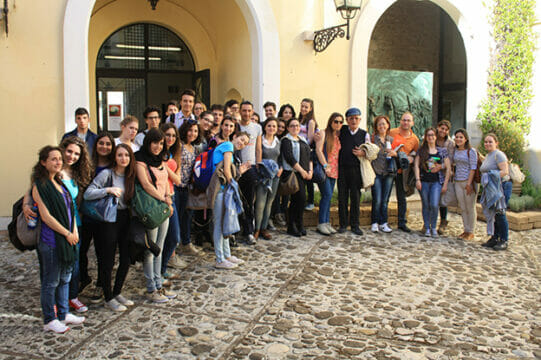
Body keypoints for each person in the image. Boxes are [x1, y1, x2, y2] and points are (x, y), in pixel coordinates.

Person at [31, 146, 85, 333]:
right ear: (43, 162)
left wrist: (75, 231)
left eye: (59, 159)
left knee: (64, 279)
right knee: (51, 281)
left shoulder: (60, 183)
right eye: (53, 159)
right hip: (52, 241)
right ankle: (49, 319)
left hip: (68, 237)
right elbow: (46, 217)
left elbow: (71, 210)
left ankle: (63, 313)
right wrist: (66, 233)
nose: (58, 162)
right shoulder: (40, 185)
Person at [83, 144, 136, 312]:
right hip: (109, 219)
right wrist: (107, 190)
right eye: (120, 155)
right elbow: (88, 193)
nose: (123, 159)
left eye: (126, 155)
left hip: (125, 218)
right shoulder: (107, 174)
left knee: (126, 258)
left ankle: (117, 291)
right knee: (107, 259)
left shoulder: (130, 176)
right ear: (115, 157)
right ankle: (108, 296)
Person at [134, 128, 177, 303]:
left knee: (159, 246)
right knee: (150, 249)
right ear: (148, 142)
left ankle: (159, 284)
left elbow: (166, 180)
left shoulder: (161, 160)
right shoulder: (140, 160)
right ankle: (151, 287)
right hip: (151, 209)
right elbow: (145, 184)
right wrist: (164, 200)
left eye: (161, 143)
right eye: (155, 143)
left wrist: (167, 198)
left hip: (163, 207)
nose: (158, 147)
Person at [79, 132, 114, 301]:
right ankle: (83, 278)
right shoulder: (87, 165)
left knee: (103, 252)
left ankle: (101, 285)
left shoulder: (114, 166)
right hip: (86, 215)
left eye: (108, 144)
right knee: (81, 250)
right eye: (101, 143)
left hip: (104, 216)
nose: (104, 147)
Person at [59, 137, 92, 314]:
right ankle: (58, 300)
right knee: (59, 265)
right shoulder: (52, 171)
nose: (72, 156)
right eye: (69, 151)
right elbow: (33, 188)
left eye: (77, 154)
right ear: (62, 150)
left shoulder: (77, 174)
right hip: (57, 225)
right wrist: (26, 205)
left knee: (75, 263)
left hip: (75, 225)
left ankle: (72, 297)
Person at [210, 132, 251, 268]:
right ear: (235, 137)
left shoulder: (229, 149)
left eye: (245, 143)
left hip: (224, 189)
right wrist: (233, 184)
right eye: (241, 139)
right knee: (219, 224)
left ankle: (226, 255)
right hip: (220, 190)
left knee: (224, 222)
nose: (242, 143)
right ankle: (219, 259)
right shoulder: (228, 145)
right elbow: (227, 170)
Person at [159, 123, 188, 277]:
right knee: (163, 238)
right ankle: (159, 271)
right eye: (167, 135)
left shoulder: (175, 153)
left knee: (174, 237)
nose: (169, 138)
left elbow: (177, 179)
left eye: (172, 136)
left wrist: (165, 167)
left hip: (171, 195)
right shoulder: (157, 152)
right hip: (159, 197)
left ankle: (162, 269)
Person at [337, 107, 370, 236]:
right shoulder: (342, 131)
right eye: (351, 118)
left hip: (356, 169)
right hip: (342, 169)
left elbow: (371, 151)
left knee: (355, 197)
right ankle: (343, 224)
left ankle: (355, 225)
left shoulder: (364, 134)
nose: (354, 120)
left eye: (356, 118)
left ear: (360, 119)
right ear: (347, 120)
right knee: (342, 197)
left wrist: (363, 152)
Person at [414, 127, 451, 237]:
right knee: (426, 204)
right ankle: (427, 227)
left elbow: (448, 168)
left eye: (432, 135)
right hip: (424, 181)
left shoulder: (442, 151)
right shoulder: (421, 150)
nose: (430, 137)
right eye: (428, 135)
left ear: (436, 136)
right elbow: (416, 165)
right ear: (426, 137)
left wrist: (445, 184)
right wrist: (417, 180)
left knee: (434, 204)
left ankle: (434, 227)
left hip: (436, 182)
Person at [281, 118, 312, 237]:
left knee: (300, 200)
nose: (295, 128)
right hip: (293, 173)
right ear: (288, 128)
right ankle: (291, 225)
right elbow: (289, 158)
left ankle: (299, 223)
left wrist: (310, 171)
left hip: (304, 174)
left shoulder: (303, 139)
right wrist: (302, 171)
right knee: (298, 199)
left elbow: (310, 156)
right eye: (292, 126)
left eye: (297, 126)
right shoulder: (286, 140)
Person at [389, 112, 420, 233]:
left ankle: (402, 223)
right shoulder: (392, 132)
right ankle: (382, 221)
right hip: (390, 168)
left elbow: (417, 154)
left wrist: (412, 158)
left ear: (412, 123)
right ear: (400, 121)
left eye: (408, 120)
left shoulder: (415, 139)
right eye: (404, 120)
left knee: (401, 198)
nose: (405, 122)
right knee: (385, 196)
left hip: (403, 172)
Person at [237, 101, 262, 244]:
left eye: (249, 111)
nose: (246, 113)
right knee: (234, 199)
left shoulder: (257, 127)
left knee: (249, 200)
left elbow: (258, 148)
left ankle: (249, 231)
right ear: (240, 111)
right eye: (244, 110)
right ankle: (234, 231)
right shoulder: (235, 126)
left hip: (250, 167)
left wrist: (257, 165)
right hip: (236, 168)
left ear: (252, 112)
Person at [314, 113, 342, 235]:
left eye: (341, 122)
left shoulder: (337, 136)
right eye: (336, 121)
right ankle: (321, 223)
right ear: (331, 121)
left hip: (334, 170)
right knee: (327, 194)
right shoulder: (323, 133)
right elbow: (318, 150)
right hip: (325, 169)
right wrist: (325, 165)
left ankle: (326, 222)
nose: (338, 124)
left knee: (329, 197)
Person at [480, 133, 509, 250]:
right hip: (490, 189)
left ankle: (504, 239)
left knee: (500, 213)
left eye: (490, 142)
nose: (487, 144)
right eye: (486, 142)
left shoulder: (499, 155)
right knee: (493, 214)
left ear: (496, 143)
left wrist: (490, 175)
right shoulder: (488, 156)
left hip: (500, 187)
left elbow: (505, 171)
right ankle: (495, 237)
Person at [254, 117, 282, 240]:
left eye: (274, 126)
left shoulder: (278, 142)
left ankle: (264, 228)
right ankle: (257, 228)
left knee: (269, 203)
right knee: (260, 203)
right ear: (265, 127)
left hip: (275, 176)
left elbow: (281, 157)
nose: (271, 128)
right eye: (269, 126)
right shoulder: (260, 141)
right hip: (263, 176)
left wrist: (280, 169)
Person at [370, 115, 395, 233]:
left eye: (384, 123)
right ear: (376, 126)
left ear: (388, 125)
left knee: (385, 200)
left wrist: (394, 153)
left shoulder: (391, 140)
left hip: (388, 173)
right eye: (379, 124)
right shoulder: (372, 139)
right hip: (376, 172)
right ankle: (374, 222)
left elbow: (399, 154)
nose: (382, 126)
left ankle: (383, 223)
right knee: (377, 199)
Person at [452, 129, 478, 241]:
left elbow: (473, 167)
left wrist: (469, 183)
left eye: (461, 137)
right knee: (462, 207)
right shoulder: (455, 151)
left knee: (470, 207)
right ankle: (465, 229)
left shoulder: (471, 151)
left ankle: (471, 231)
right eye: (456, 137)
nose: (458, 139)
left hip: (469, 182)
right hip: (458, 181)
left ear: (466, 139)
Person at [435, 120, 455, 234]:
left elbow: (451, 160)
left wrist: (440, 166)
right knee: (432, 199)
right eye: (442, 128)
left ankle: (443, 221)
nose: (443, 131)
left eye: (446, 129)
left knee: (442, 200)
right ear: (438, 127)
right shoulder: (432, 138)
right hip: (432, 172)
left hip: (443, 173)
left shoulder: (450, 144)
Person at [298, 98, 317, 211]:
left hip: (305, 152)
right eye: (302, 106)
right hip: (297, 151)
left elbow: (310, 139)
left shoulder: (311, 122)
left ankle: (310, 201)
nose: (303, 108)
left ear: (310, 109)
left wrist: (301, 146)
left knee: (308, 178)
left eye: (306, 107)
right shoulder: (299, 120)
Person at [271, 117, 289, 227]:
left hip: (285, 168)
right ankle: (276, 213)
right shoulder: (273, 138)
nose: (281, 129)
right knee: (276, 193)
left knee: (286, 191)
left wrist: (282, 166)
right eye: (279, 126)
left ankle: (282, 212)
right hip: (275, 168)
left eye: (283, 127)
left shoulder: (286, 139)